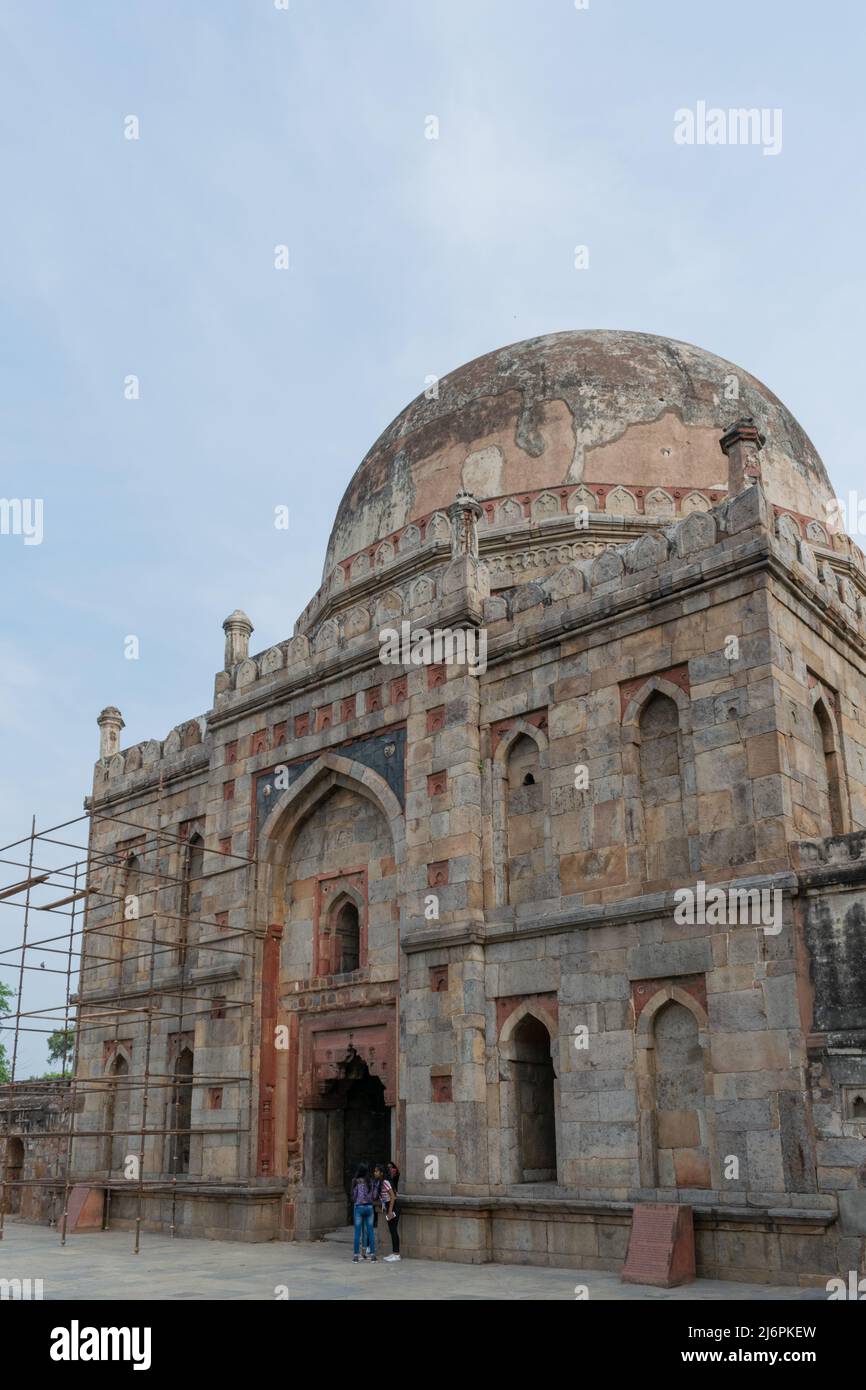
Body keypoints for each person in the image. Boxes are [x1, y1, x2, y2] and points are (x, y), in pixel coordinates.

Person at [350, 1163, 377, 1262]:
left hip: (359, 1207)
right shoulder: (371, 1182)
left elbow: (353, 1196)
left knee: (357, 1233)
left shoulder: (356, 1181)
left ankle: (356, 1257)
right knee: (370, 1232)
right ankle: (373, 1256)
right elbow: (374, 1196)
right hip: (369, 1207)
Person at [380, 1159, 401, 1261]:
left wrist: (389, 1211)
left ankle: (396, 1254)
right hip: (390, 1206)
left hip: (392, 1206)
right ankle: (394, 1253)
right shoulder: (386, 1181)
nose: (375, 1173)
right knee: (392, 1230)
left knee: (393, 1230)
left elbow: (392, 1197)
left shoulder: (385, 1182)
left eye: (377, 1171)